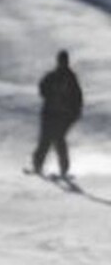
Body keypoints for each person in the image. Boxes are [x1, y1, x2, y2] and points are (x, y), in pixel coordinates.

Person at [31, 49, 83, 178]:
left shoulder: (71, 78)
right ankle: (37, 166)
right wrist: (50, 94)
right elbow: (42, 87)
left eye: (64, 61)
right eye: (61, 61)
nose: (62, 63)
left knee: (58, 139)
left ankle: (64, 169)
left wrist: (73, 112)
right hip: (49, 113)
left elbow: (77, 98)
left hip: (63, 115)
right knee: (45, 139)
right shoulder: (53, 76)